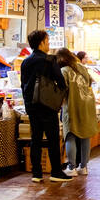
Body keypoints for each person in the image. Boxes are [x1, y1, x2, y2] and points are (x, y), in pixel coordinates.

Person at [19, 29, 74, 183]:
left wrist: (28, 103)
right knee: (52, 139)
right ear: (42, 42)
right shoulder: (50, 60)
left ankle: (36, 174)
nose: (49, 43)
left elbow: (23, 85)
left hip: (31, 106)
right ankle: (56, 172)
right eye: (48, 41)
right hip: (48, 106)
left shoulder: (25, 62)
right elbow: (61, 83)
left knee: (35, 139)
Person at [56, 48, 99, 175]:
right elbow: (91, 82)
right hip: (88, 105)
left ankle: (71, 167)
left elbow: (61, 90)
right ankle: (83, 167)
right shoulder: (82, 68)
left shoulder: (64, 71)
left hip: (73, 105)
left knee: (70, 134)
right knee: (85, 135)